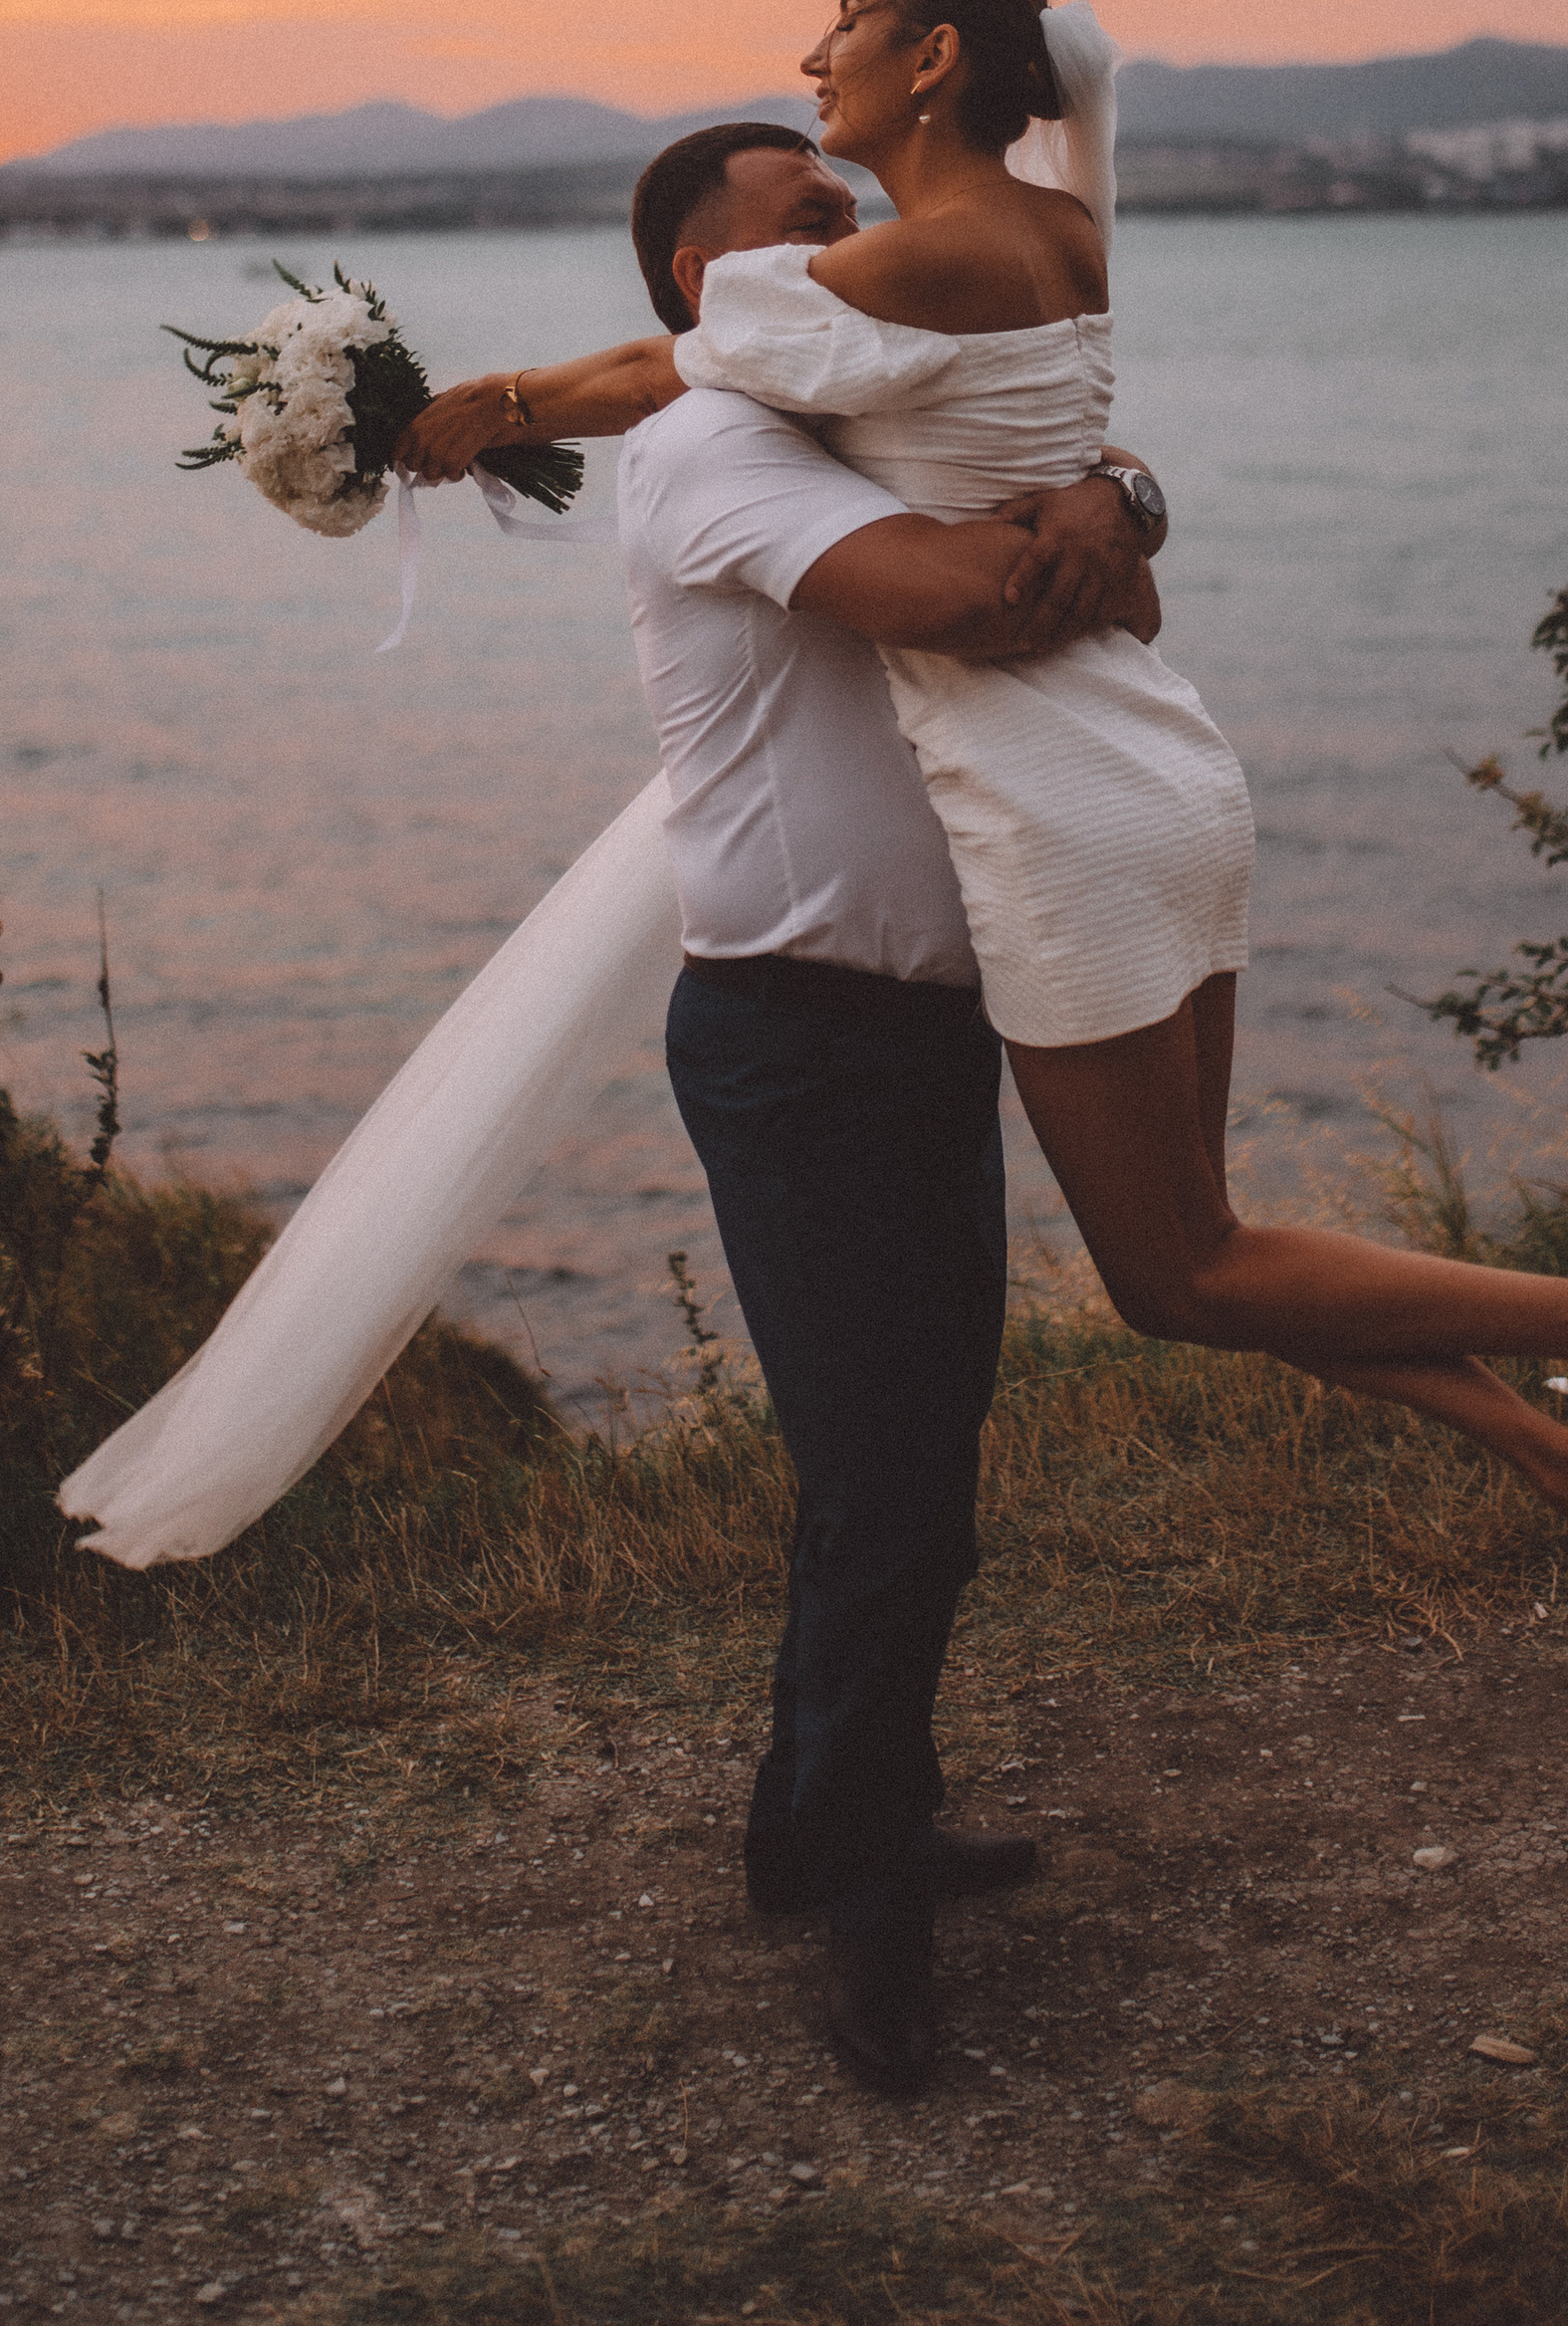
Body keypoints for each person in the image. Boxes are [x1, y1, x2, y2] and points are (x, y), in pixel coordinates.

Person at [398, 0, 1568, 1685]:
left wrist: (462, 413)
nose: (823, 48)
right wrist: (1123, 493)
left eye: (852, 17)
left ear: (934, 59)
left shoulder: (876, 283)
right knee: (1220, 1249)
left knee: (1183, 1277)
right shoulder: (1061, 236)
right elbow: (886, 406)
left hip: (1055, 803)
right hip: (1162, 759)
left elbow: (669, 365)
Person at [609, 115, 1164, 2093]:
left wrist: (1116, 481)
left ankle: (810, 1822)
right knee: (892, 1490)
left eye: (849, 213)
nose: (853, 243)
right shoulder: (708, 453)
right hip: (794, 1034)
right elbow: (971, 599)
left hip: (918, 1026)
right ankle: (864, 1909)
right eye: (805, 225)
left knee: (909, 1456)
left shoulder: (851, 431)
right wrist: (1098, 507)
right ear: (710, 284)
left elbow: (1068, 546)